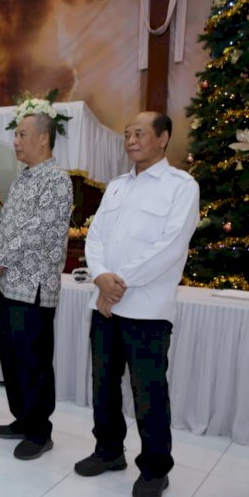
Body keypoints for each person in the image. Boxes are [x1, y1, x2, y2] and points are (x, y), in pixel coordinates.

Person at [74, 112, 199, 497]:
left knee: (149, 392)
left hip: (147, 310)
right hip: (107, 306)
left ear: (163, 139)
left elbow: (171, 247)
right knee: (104, 386)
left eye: (140, 133)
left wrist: (117, 283)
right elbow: (95, 239)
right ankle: (109, 450)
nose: (130, 140)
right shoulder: (116, 187)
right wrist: (100, 277)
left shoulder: (182, 186)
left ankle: (155, 468)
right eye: (127, 134)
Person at [0, 108, 73, 459]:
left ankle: (39, 431)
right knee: (12, 357)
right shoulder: (23, 178)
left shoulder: (57, 181)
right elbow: (5, 222)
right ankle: (22, 418)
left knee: (33, 362)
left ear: (44, 138)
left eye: (21, 134)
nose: (15, 141)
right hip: (7, 285)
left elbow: (38, 232)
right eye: (15, 135)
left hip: (33, 289)